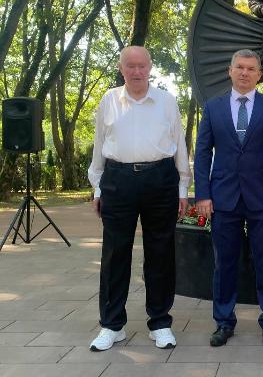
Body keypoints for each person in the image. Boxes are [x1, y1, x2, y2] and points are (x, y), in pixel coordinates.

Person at [87, 46, 192, 351]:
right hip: (117, 181)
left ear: (150, 68)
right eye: (130, 66)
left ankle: (160, 323)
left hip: (160, 180)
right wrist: (98, 187)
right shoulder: (108, 100)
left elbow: (179, 144)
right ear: (121, 69)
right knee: (114, 253)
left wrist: (182, 188)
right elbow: (99, 145)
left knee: (161, 253)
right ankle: (111, 325)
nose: (136, 71)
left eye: (141, 66)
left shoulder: (166, 101)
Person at [194, 49, 263, 348]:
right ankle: (224, 322)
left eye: (251, 68)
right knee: (224, 264)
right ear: (230, 70)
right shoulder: (213, 107)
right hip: (223, 198)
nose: (245, 72)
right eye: (240, 67)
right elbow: (202, 153)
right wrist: (203, 194)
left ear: (259, 75)